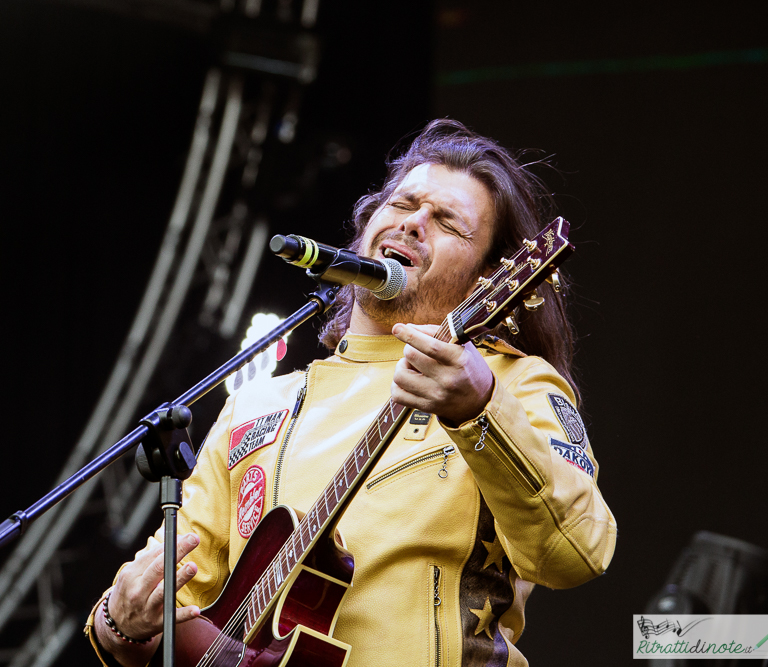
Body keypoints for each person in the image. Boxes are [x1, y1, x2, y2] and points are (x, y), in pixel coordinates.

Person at [85, 119, 617, 666]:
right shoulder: (256, 403)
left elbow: (578, 551)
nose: (413, 223)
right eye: (402, 203)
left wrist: (479, 412)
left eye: (448, 223)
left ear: (489, 279)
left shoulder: (508, 384)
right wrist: (118, 626)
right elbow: (173, 603)